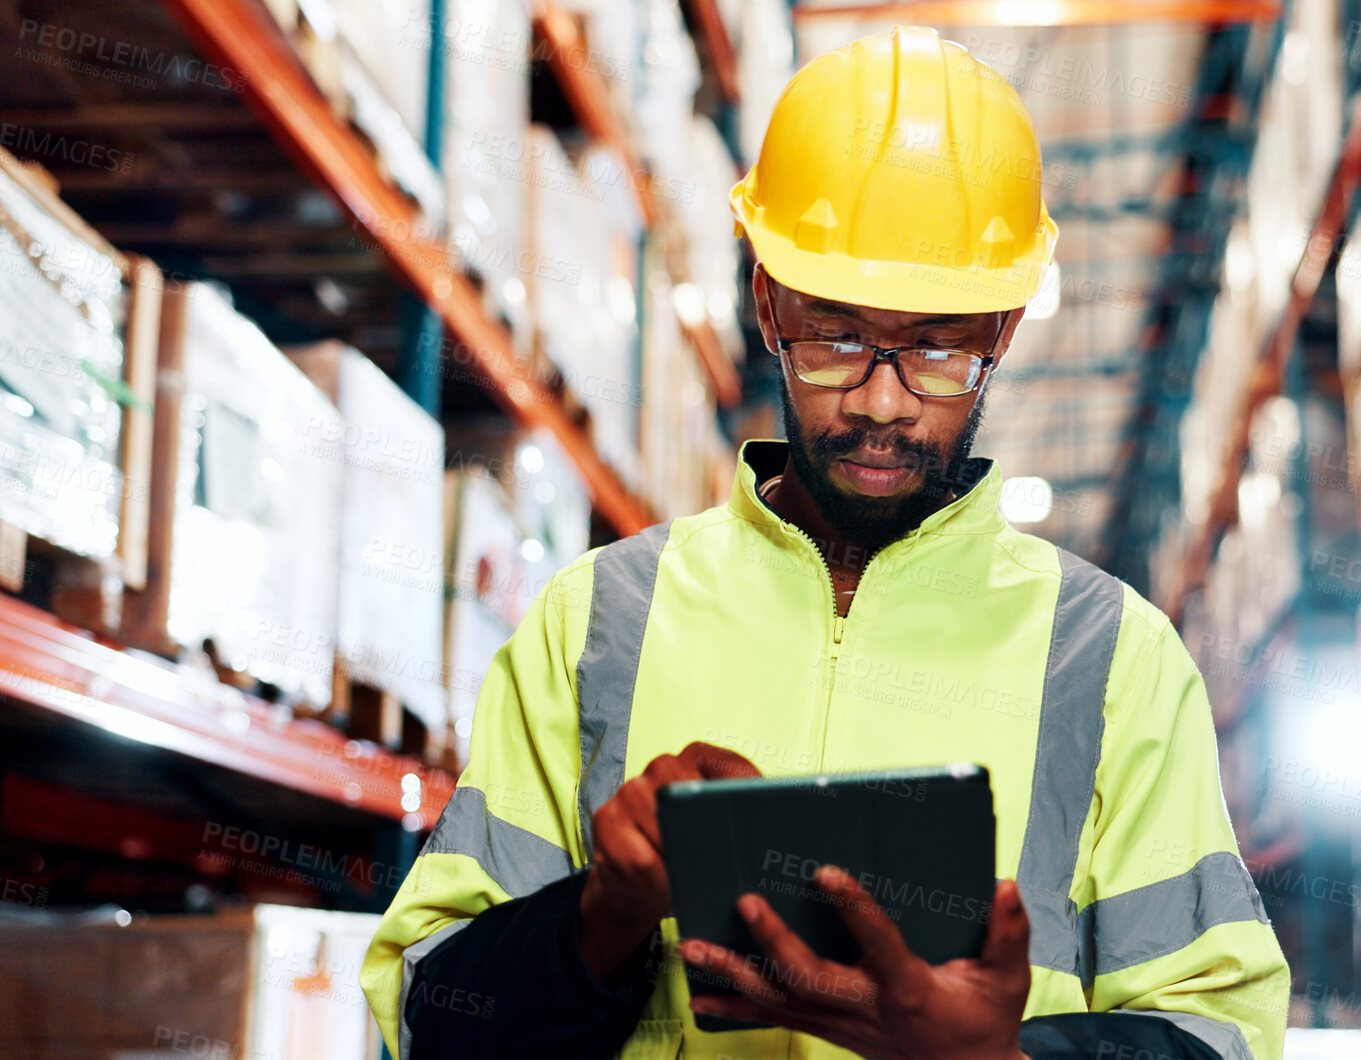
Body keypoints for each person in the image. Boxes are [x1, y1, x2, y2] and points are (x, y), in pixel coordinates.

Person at [361, 24, 1288, 1060]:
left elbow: (1222, 1034)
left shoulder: (1116, 662)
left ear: (1003, 336)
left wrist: (999, 1059)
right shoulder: (597, 621)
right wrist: (601, 915)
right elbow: (425, 1022)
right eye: (836, 336)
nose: (882, 402)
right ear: (767, 305)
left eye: (938, 347)